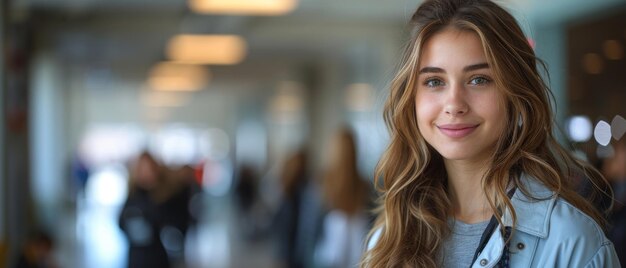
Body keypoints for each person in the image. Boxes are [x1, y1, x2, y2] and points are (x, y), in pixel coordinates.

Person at [361, 0, 621, 267]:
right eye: (434, 81)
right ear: (412, 98)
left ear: (516, 95)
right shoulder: (387, 240)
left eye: (478, 79)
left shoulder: (574, 244)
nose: (454, 104)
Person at [314, 128, 372, 268]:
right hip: (356, 258)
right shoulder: (365, 185)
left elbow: (311, 230)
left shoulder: (322, 184)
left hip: (334, 257)